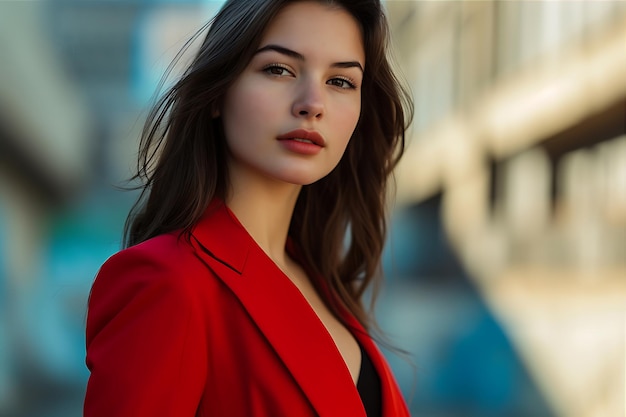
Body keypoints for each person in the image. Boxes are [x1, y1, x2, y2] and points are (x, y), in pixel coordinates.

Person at [84, 0, 413, 416]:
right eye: (279, 69)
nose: (312, 103)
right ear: (219, 92)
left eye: (341, 81)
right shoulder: (168, 282)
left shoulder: (323, 283)